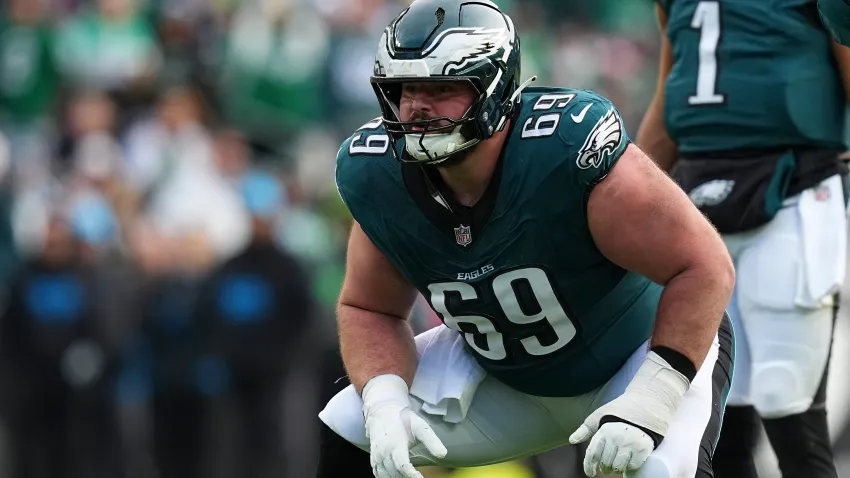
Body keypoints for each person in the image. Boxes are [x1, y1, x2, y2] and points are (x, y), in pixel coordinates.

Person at [317, 1, 736, 477]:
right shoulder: (378, 175)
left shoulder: (563, 150)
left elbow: (705, 266)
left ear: (493, 90)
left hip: (636, 357)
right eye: (405, 89)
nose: (417, 106)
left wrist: (652, 397)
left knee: (657, 471)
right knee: (354, 422)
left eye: (440, 87)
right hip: (505, 377)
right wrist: (386, 401)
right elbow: (368, 308)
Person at [637, 0, 850, 476]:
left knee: (787, 403)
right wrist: (621, 188)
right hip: (697, 204)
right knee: (716, 416)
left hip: (796, 187)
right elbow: (673, 97)